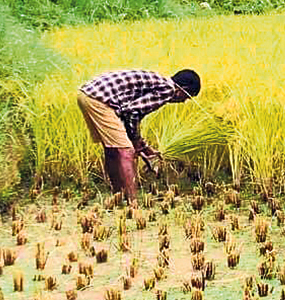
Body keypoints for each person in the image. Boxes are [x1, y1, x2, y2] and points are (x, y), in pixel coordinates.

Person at [77, 69, 201, 204]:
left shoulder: (160, 83)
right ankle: (133, 202)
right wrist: (135, 142)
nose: (183, 102)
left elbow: (126, 112)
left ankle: (118, 195)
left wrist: (142, 145)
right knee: (126, 151)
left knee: (112, 149)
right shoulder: (168, 90)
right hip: (100, 100)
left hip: (87, 95)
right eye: (187, 97)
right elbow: (133, 112)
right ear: (183, 89)